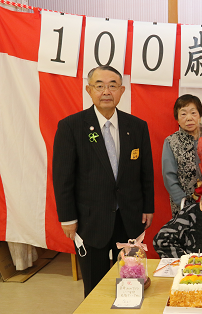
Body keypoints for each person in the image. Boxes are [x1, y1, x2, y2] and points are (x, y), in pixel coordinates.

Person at [52, 65, 154, 297]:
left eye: (112, 85)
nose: (106, 91)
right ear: (89, 90)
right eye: (99, 86)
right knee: (96, 287)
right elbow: (62, 177)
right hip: (90, 220)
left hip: (129, 217)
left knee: (133, 282)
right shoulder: (71, 126)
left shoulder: (137, 126)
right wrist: (67, 218)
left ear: (122, 91)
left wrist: (148, 207)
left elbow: (145, 172)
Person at [162, 94, 202, 217]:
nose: (189, 118)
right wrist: (184, 203)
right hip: (183, 206)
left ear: (200, 116)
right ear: (177, 119)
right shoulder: (171, 142)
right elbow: (169, 177)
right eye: (183, 114)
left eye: (193, 113)